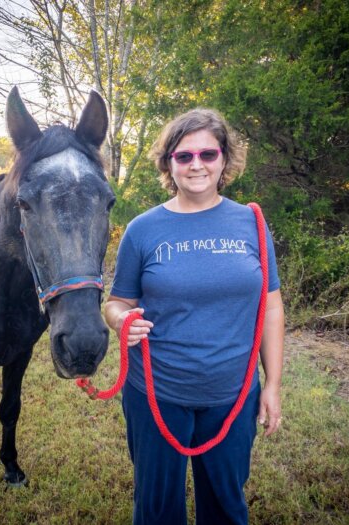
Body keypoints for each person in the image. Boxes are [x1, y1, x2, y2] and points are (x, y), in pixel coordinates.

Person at [104, 108, 285, 525]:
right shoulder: (143, 229)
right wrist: (120, 321)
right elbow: (116, 302)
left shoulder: (251, 223)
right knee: (156, 508)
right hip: (156, 393)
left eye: (207, 154)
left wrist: (271, 384)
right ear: (169, 163)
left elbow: (271, 306)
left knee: (226, 505)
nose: (196, 164)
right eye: (184, 156)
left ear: (224, 158)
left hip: (234, 395)